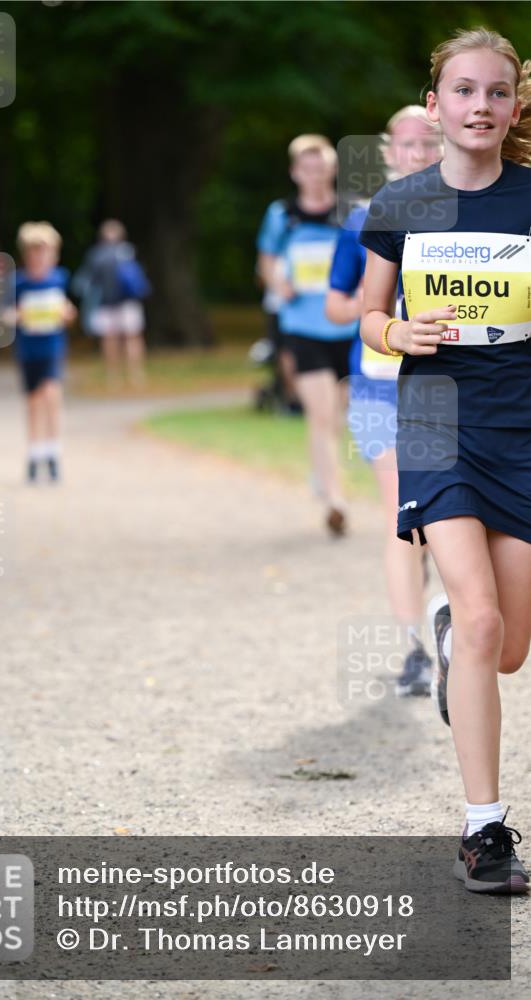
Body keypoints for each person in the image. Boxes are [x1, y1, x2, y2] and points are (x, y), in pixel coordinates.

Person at [359, 27, 531, 893]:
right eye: (463, 91)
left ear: (514, 105)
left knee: (504, 649)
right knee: (483, 619)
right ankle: (483, 830)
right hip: (433, 419)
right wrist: (398, 332)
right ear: (436, 105)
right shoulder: (401, 203)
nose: (479, 106)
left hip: (521, 428)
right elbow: (363, 317)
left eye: (496, 92)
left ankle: (449, 636)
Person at [326, 107, 442, 696]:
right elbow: (335, 305)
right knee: (406, 520)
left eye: (429, 142)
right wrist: (385, 316)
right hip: (377, 389)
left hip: (446, 391)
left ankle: (447, 620)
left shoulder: (463, 218)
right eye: (407, 143)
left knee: (446, 517)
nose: (418, 152)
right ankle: (417, 649)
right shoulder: (362, 221)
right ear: (389, 152)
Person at [257, 136, 359, 536]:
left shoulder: (352, 212)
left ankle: (324, 473)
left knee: (339, 416)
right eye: (306, 167)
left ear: (333, 170)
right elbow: (266, 261)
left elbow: (369, 258)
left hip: (349, 327)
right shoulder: (282, 215)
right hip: (302, 326)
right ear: (295, 172)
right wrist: (277, 283)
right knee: (321, 414)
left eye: (321, 166)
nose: (314, 174)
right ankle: (335, 499)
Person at [13, 222, 76, 483]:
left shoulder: (59, 279)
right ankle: (34, 451)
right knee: (33, 401)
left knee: (51, 394)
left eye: (45, 252)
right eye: (34, 252)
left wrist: (67, 313)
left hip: (52, 347)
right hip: (28, 350)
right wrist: (17, 315)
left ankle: (53, 451)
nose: (39, 258)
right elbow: (6, 313)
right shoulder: (18, 283)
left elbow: (69, 311)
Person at [72, 220, 149, 389]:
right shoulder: (128, 251)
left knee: (113, 339)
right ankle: (134, 375)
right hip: (126, 302)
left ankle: (114, 377)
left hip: (107, 303)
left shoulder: (96, 254)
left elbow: (86, 281)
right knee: (130, 337)